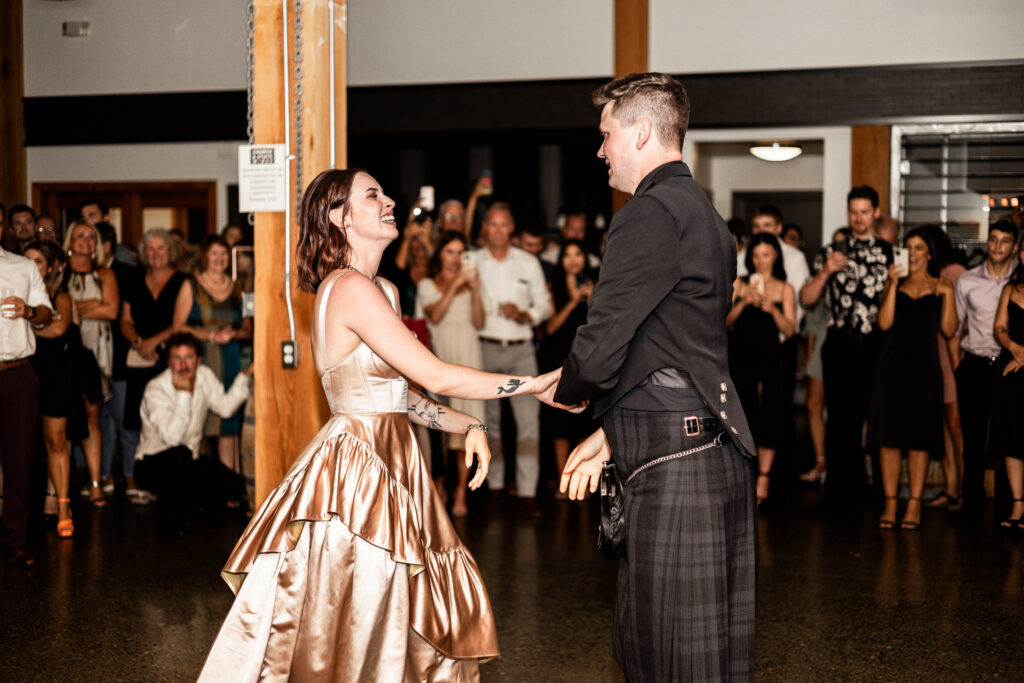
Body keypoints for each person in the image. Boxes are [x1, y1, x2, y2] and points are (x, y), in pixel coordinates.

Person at [200, 169, 572, 681]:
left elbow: (404, 398)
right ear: (339, 217)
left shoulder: (386, 291)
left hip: (396, 458)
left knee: (399, 615)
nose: (390, 200)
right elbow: (435, 373)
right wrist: (532, 384)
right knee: (362, 617)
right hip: (359, 470)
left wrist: (465, 424)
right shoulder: (348, 288)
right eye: (372, 195)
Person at [555, 72, 757, 681]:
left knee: (670, 655)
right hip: (698, 444)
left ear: (641, 132)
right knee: (700, 653)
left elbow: (602, 343)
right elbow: (668, 344)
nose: (601, 150)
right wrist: (609, 433)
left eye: (607, 134)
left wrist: (568, 391)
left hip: (675, 463)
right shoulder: (702, 211)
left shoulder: (649, 212)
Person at [801, 186, 893, 511]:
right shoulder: (830, 251)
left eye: (864, 212)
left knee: (876, 419)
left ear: (876, 213)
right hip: (839, 342)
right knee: (839, 420)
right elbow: (806, 298)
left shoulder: (890, 253)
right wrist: (827, 270)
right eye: (853, 211)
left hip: (876, 344)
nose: (858, 218)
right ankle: (838, 496)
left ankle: (880, 495)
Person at [867, 228, 957, 530]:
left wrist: (948, 296)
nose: (914, 253)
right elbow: (884, 323)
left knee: (920, 438)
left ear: (929, 253)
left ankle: (915, 504)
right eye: (909, 248)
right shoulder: (894, 283)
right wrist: (891, 283)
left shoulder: (942, 286)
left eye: (919, 248)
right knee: (889, 438)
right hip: (892, 367)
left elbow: (948, 330)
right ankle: (891, 503)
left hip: (925, 368)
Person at [474, 202, 552, 514]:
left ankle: (527, 492)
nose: (497, 230)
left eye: (503, 224)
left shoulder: (527, 262)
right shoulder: (473, 261)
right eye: (491, 224)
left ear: (511, 229)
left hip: (521, 348)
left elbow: (545, 306)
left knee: (528, 423)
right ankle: (494, 486)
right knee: (489, 422)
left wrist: (525, 314)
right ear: (485, 228)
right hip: (484, 346)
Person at [133, 333, 251, 531]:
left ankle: (193, 505)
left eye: (189, 357)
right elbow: (173, 438)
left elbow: (225, 407)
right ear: (169, 362)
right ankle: (172, 519)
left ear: (199, 359)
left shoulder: (204, 375)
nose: (183, 365)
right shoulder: (156, 388)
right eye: (177, 359)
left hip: (188, 462)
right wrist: (183, 393)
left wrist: (245, 375)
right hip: (151, 464)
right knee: (181, 455)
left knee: (235, 485)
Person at [416, 232, 486, 517]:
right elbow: (434, 316)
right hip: (440, 359)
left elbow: (480, 321)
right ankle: (440, 485)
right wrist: (455, 285)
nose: (456, 258)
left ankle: (461, 493)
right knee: (439, 427)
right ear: (440, 255)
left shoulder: (471, 285)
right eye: (450, 252)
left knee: (467, 426)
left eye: (460, 252)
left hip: (469, 354)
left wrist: (476, 290)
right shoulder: (426, 284)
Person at [120, 229, 193, 503]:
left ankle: (165, 481)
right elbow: (124, 321)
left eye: (160, 247)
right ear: (143, 252)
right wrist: (140, 342)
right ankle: (132, 477)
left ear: (170, 250)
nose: (155, 252)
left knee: (168, 419)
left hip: (170, 359)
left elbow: (179, 325)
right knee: (134, 421)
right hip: (140, 358)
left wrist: (152, 342)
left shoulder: (183, 280)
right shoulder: (133, 279)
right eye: (150, 248)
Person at [953, 220, 1018, 518]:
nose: (998, 246)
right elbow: (955, 330)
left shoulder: (1018, 283)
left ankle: (1008, 505)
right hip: (975, 364)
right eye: (993, 239)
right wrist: (958, 367)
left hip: (1008, 366)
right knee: (973, 438)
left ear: (1014, 246)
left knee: (1007, 438)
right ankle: (971, 504)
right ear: (987, 242)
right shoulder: (966, 281)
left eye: (1005, 241)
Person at [726, 233, 796, 504]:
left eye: (765, 255)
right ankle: (743, 473)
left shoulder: (784, 288)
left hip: (770, 357)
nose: (760, 261)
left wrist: (772, 309)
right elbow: (724, 321)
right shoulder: (739, 283)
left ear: (775, 256)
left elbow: (790, 330)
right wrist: (744, 301)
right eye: (755, 255)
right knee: (742, 413)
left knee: (770, 413)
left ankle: (764, 477)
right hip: (740, 356)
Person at [0, 220, 53, 567]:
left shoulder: (21, 266)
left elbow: (46, 312)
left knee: (19, 461)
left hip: (16, 373)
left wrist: (29, 311)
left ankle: (15, 541)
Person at [180, 235, 253, 477]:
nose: (219, 258)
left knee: (228, 422)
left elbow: (248, 329)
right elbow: (178, 327)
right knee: (200, 418)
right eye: (214, 253)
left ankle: (229, 482)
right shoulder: (191, 284)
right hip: (201, 357)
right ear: (204, 256)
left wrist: (232, 334)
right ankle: (200, 482)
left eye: (223, 253)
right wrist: (211, 335)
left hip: (230, 356)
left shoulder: (238, 288)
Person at [24, 241, 78, 537]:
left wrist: (25, 324)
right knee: (18, 443)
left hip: (54, 374)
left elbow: (59, 329)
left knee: (56, 442)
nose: (32, 266)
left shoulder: (62, 297)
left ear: (51, 267)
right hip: (23, 371)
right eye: (27, 260)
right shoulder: (13, 294)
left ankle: (61, 505)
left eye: (39, 261)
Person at [65, 219, 120, 507]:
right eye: (80, 235)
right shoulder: (59, 272)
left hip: (97, 351)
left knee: (92, 416)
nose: (86, 240)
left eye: (91, 236)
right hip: (65, 350)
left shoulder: (105, 274)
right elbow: (56, 312)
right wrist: (84, 307)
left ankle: (96, 482)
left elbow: (111, 310)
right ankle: (61, 487)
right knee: (61, 417)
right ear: (69, 240)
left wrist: (73, 307)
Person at [539, 239, 596, 493]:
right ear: (561, 259)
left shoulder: (594, 283)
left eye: (578, 254)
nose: (573, 260)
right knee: (560, 418)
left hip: (587, 357)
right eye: (567, 255)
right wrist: (573, 301)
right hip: (559, 355)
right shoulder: (554, 286)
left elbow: (601, 321)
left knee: (584, 418)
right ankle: (564, 481)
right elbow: (550, 327)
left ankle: (581, 481)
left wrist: (591, 296)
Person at [799, 227, 851, 483]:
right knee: (814, 403)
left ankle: (840, 464)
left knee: (842, 408)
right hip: (821, 343)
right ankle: (821, 460)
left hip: (847, 343)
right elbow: (810, 313)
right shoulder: (823, 271)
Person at [922, 226, 967, 512]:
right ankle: (951, 489)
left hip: (953, 351)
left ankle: (964, 489)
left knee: (956, 425)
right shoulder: (923, 276)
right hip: (931, 353)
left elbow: (969, 316)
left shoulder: (955, 272)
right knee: (943, 425)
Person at [991, 244, 1024, 528]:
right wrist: (1015, 348)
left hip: (1020, 364)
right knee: (1013, 438)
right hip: (1011, 369)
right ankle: (1017, 506)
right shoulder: (1011, 289)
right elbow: (999, 327)